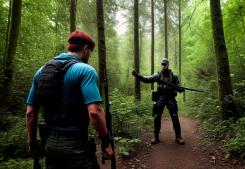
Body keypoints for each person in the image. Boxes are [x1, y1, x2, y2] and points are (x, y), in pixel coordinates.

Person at [26, 30, 113, 169]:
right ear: (85, 48)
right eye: (90, 52)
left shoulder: (41, 71)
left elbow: (30, 112)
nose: (89, 55)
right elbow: (95, 112)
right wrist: (105, 142)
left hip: (49, 144)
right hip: (76, 146)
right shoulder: (86, 71)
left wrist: (32, 143)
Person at [132, 58, 185, 145]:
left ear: (168, 65)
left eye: (165, 64)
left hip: (171, 97)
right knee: (157, 116)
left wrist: (180, 88)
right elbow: (147, 79)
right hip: (161, 97)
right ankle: (156, 137)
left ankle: (178, 136)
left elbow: (179, 86)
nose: (164, 65)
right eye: (162, 64)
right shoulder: (158, 75)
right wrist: (137, 75)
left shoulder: (174, 76)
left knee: (174, 116)